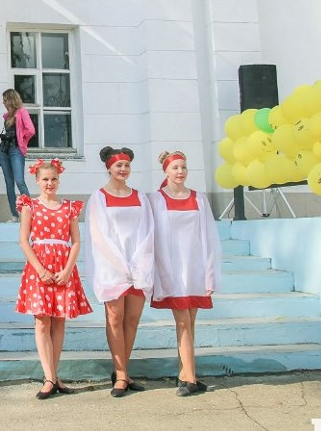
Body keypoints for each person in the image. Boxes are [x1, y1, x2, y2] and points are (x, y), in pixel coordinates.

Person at [16, 158, 92, 399]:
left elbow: (76, 241)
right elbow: (24, 240)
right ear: (37, 181)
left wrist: (68, 269)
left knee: (59, 321)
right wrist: (40, 269)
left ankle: (53, 375)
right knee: (42, 321)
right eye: (45, 179)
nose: (50, 183)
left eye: (54, 179)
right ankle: (49, 377)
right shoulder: (30, 206)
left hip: (62, 267)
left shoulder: (69, 207)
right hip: (39, 268)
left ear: (59, 180)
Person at [148, 150, 222, 397]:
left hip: (194, 268)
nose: (180, 172)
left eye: (183, 167)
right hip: (172, 269)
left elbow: (208, 236)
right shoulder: (156, 199)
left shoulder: (199, 198)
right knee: (182, 321)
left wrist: (210, 273)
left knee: (190, 322)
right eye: (175, 168)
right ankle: (190, 379)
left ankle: (185, 374)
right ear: (166, 171)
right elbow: (155, 239)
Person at [87, 146, 155, 398]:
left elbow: (147, 232)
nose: (123, 169)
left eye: (126, 165)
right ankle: (121, 373)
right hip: (112, 267)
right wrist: (120, 264)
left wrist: (137, 263)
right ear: (109, 167)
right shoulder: (99, 197)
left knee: (132, 320)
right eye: (119, 165)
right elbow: (99, 235)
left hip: (138, 267)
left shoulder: (140, 197)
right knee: (114, 319)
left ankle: (123, 372)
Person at [0, 89, 35, 222]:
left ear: (11, 99)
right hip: (4, 150)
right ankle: (14, 215)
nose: (3, 102)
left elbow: (30, 130)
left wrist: (21, 138)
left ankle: (30, 213)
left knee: (20, 181)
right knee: (9, 184)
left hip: (16, 149)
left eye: (5, 99)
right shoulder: (7, 115)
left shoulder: (22, 112)